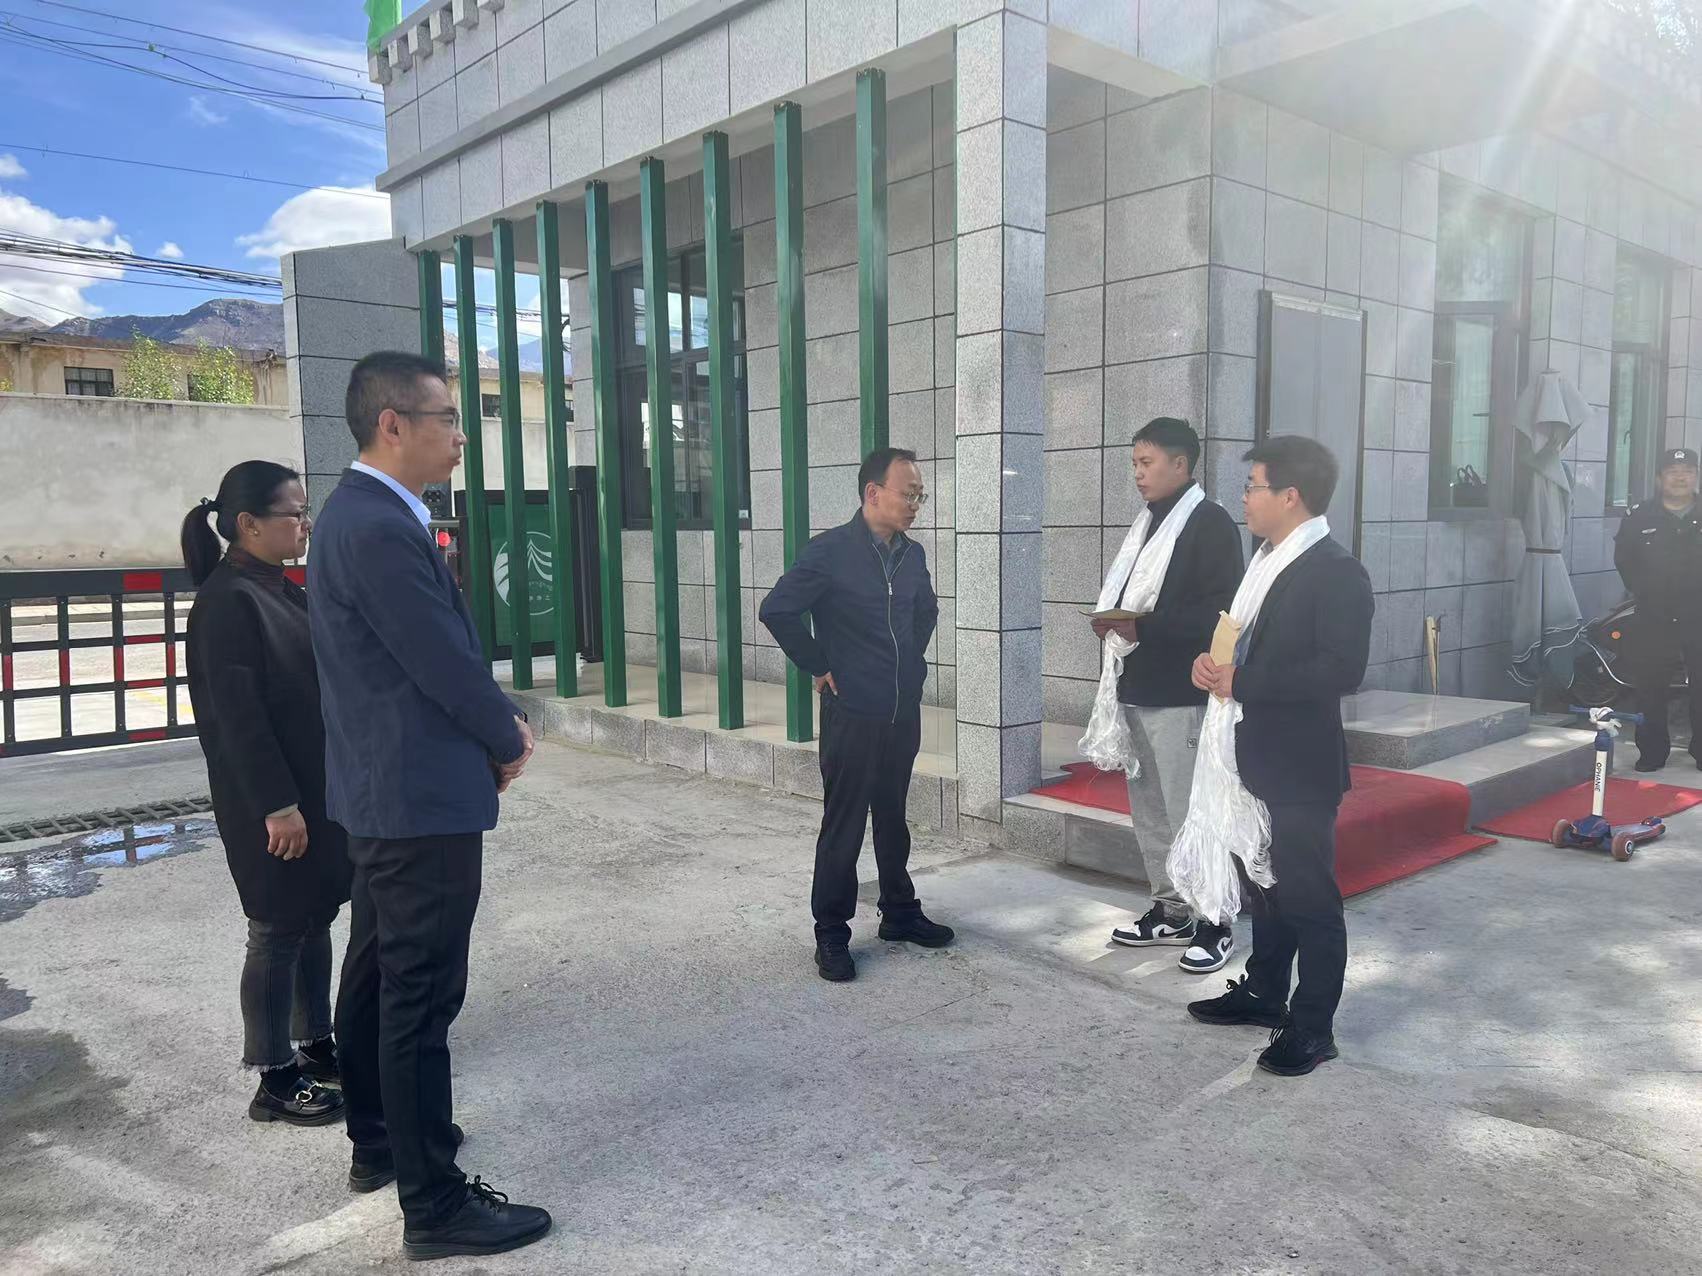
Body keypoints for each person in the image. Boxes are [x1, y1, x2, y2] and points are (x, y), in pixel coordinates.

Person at [309, 351, 550, 1261]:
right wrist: (505, 735)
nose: (460, 435)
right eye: (449, 417)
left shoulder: (366, 516)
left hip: (392, 793)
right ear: (392, 425)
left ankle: (385, 1141)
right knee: (420, 996)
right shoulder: (375, 525)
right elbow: (439, 661)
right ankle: (436, 1205)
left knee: (379, 977)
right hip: (415, 802)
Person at [1181, 435, 1373, 1077]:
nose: (1244, 498)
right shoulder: (1265, 562)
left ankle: (1313, 1027)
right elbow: (1243, 644)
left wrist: (1244, 681)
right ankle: (1265, 990)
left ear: (1290, 496)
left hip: (1298, 765)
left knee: (1309, 898)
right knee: (1265, 887)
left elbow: (1342, 670)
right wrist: (1213, 665)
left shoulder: (1335, 571)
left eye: (1252, 486)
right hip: (1249, 754)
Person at [183, 461, 351, 1127]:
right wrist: (277, 806)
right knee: (277, 929)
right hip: (271, 802)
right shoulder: (226, 602)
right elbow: (237, 720)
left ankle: (316, 1043)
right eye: (294, 513)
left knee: (314, 916)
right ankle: (274, 1078)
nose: (305, 523)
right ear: (249, 524)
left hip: (312, 790)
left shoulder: (278, 588)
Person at [759, 447, 952, 983]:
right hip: (853, 711)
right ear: (873, 492)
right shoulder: (830, 552)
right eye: (908, 494)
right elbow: (777, 609)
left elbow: (926, 611)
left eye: (920, 496)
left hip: (900, 709)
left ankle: (899, 912)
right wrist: (820, 664)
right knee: (844, 824)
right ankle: (831, 933)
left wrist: (908, 665)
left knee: (893, 815)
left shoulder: (911, 555)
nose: (915, 504)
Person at [1089, 418, 1244, 973]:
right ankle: (1171, 909)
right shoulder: (1147, 523)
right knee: (1151, 812)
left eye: (1146, 462)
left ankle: (1214, 920)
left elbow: (1220, 612)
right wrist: (1116, 623)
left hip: (1183, 693)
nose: (1138, 473)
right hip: (1136, 686)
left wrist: (1142, 626)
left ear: (1181, 464)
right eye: (1134, 463)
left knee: (1190, 812)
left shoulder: (1209, 523)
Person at [1613, 447, 1702, 772]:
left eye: (1688, 471)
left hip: (1699, 611)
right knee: (1650, 685)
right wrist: (1646, 591)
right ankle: (1651, 751)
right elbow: (1624, 559)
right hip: (1654, 613)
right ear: (1659, 478)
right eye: (1673, 472)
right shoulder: (1639, 515)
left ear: (1696, 476)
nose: (1681, 477)